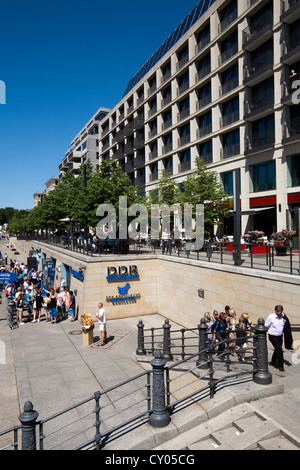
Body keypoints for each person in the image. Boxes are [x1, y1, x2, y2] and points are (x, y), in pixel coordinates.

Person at [265, 305, 293, 372]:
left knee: (277, 349)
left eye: (280, 311)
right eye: (278, 312)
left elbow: (287, 326)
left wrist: (285, 323)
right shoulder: (271, 316)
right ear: (275, 311)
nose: (279, 313)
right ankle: (280, 366)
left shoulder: (284, 316)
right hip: (272, 336)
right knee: (280, 350)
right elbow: (266, 325)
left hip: (280, 336)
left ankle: (273, 361)